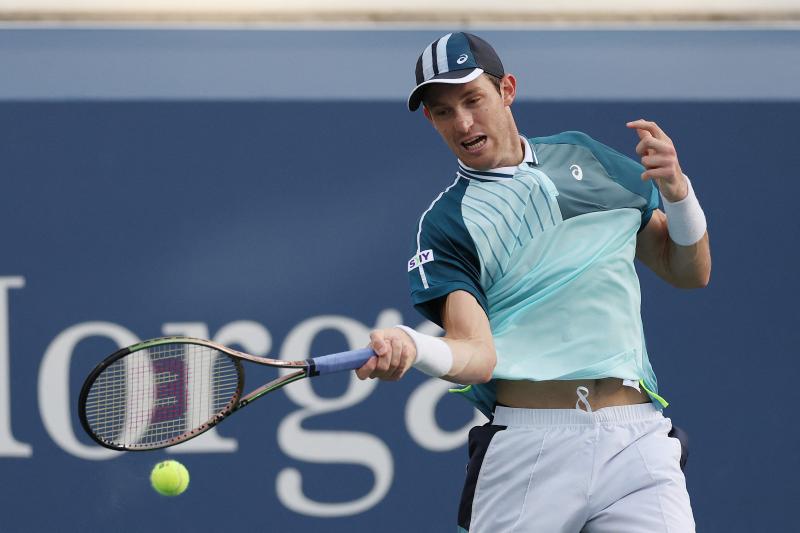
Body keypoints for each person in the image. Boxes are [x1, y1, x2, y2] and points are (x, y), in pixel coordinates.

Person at [356, 32, 711, 532]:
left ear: (507, 91)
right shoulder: (448, 223)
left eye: (472, 99)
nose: (462, 122)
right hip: (530, 451)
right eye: (442, 111)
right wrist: (413, 345)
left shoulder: (588, 158)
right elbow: (476, 357)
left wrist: (678, 193)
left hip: (637, 439)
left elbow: (689, 270)